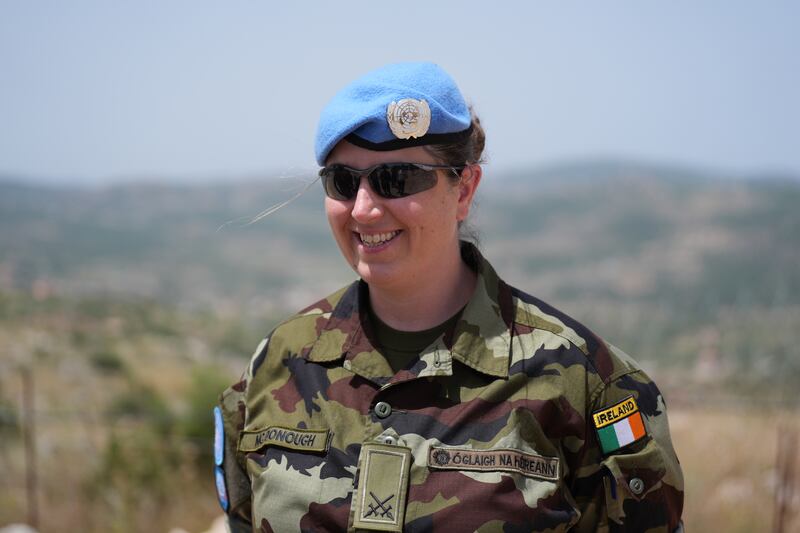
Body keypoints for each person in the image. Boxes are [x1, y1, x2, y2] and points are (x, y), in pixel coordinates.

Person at [215, 62, 684, 532]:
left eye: (395, 179)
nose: (363, 208)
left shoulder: (589, 386)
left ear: (464, 189)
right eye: (342, 181)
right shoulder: (278, 364)